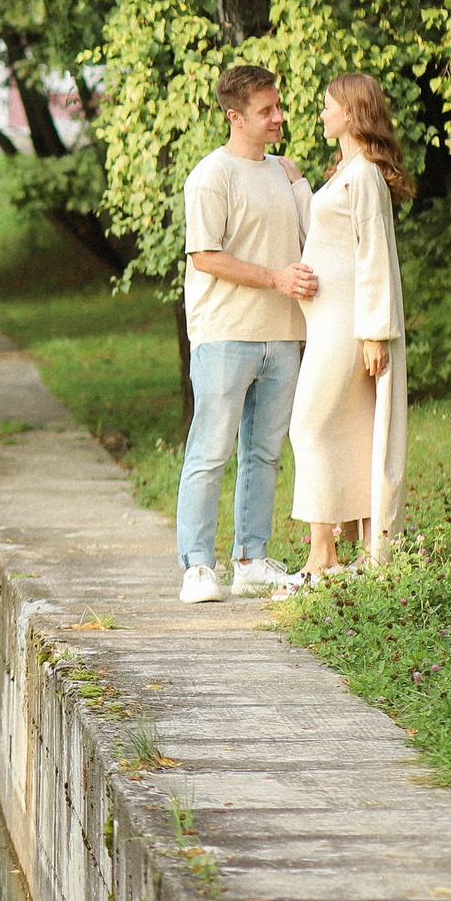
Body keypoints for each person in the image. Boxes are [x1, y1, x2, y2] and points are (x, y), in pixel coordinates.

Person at [176, 64, 314, 603]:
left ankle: (251, 561)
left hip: (282, 334)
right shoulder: (211, 176)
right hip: (225, 334)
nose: (279, 117)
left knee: (264, 454)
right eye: (266, 111)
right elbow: (205, 256)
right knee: (210, 451)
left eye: (278, 106)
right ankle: (197, 568)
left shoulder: (282, 172)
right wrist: (277, 279)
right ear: (235, 117)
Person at [280, 72, 414, 591]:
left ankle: (322, 556)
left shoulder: (365, 177)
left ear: (352, 112)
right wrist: (298, 184)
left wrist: (376, 331)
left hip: (348, 326)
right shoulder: (345, 173)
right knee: (348, 431)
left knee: (307, 427)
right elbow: (325, 236)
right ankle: (349, 552)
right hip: (328, 323)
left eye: (327, 106)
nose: (321, 114)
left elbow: (374, 254)